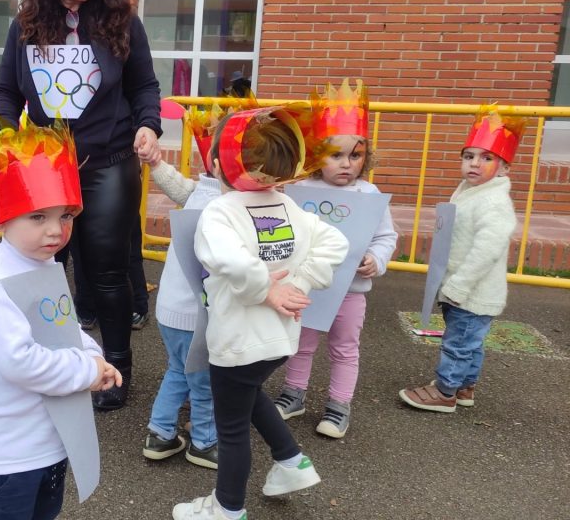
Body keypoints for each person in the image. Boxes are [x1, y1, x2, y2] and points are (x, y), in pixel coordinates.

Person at [0, 0, 162, 410]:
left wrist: (148, 125)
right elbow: (5, 91)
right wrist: (6, 139)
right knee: (42, 266)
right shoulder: (26, 25)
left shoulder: (123, 22)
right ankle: (49, 363)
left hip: (109, 164)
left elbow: (144, 86)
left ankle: (117, 369)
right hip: (46, 172)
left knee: (108, 272)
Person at [173, 107, 348, 520]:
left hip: (237, 339)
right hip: (279, 339)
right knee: (249, 396)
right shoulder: (288, 206)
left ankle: (227, 508)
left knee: (232, 427)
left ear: (217, 164)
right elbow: (336, 243)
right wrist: (299, 283)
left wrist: (267, 289)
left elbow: (231, 261)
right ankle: (291, 462)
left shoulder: (221, 211)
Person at [0, 119, 120, 520]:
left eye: (65, 215)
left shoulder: (43, 263)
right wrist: (86, 371)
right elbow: (20, 361)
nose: (56, 230)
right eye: (38, 217)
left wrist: (94, 354)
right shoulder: (0, 284)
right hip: (10, 453)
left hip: (48, 440)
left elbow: (64, 326)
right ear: (2, 217)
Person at [274, 79, 398, 438]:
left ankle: (338, 405)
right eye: (336, 155)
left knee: (345, 348)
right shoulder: (301, 190)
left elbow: (385, 236)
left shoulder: (370, 194)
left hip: (350, 291)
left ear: (365, 157)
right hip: (307, 286)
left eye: (355, 156)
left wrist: (376, 259)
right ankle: (293, 394)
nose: (346, 164)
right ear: (317, 155)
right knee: (301, 343)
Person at [399, 107, 521, 413]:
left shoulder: (493, 201)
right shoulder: (471, 191)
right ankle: (465, 386)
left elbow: (487, 250)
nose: (475, 163)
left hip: (470, 293)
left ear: (504, 167)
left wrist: (459, 286)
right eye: (469, 156)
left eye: (486, 158)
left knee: (458, 342)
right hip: (460, 288)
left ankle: (445, 391)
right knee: (470, 343)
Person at [137, 105, 226, 470]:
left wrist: (156, 163)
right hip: (195, 316)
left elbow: (175, 183)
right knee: (203, 380)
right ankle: (203, 442)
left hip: (170, 311)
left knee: (178, 370)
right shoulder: (226, 202)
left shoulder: (202, 192)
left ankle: (160, 433)